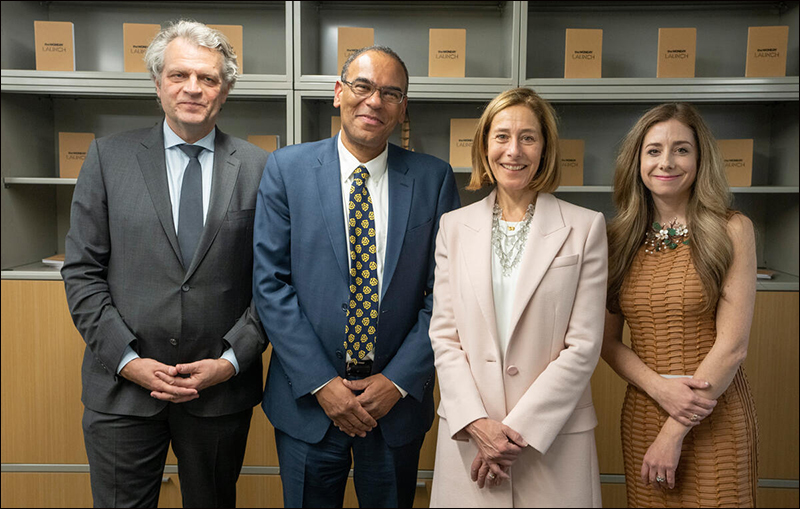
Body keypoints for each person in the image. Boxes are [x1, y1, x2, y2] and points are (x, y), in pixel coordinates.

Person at [62, 20, 268, 508]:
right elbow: (82, 273)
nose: (193, 88)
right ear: (158, 84)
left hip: (218, 393)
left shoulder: (262, 168)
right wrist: (129, 362)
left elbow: (273, 283)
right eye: (179, 75)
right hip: (122, 391)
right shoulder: (108, 158)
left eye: (208, 78)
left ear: (226, 91)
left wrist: (230, 361)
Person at [252, 45, 460, 507]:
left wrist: (399, 380)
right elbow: (270, 284)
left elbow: (446, 294)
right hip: (309, 403)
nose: (374, 101)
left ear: (402, 107)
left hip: (394, 405)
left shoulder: (433, 179)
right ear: (338, 93)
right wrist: (323, 385)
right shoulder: (287, 169)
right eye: (362, 86)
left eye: (390, 93)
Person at [428, 87, 607, 507]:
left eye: (528, 137)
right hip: (471, 434)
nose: (514, 150)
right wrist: (477, 424)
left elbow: (584, 345)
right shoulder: (453, 227)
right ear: (485, 146)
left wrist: (514, 432)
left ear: (545, 148)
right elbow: (445, 337)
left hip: (553, 439)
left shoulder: (585, 227)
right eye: (502, 136)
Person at [601, 103, 758, 507]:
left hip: (714, 415)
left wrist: (674, 430)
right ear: (637, 160)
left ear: (700, 157)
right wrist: (660, 388)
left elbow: (732, 346)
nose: (666, 162)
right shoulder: (617, 238)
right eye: (653, 150)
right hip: (643, 412)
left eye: (681, 149)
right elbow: (607, 342)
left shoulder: (732, 229)